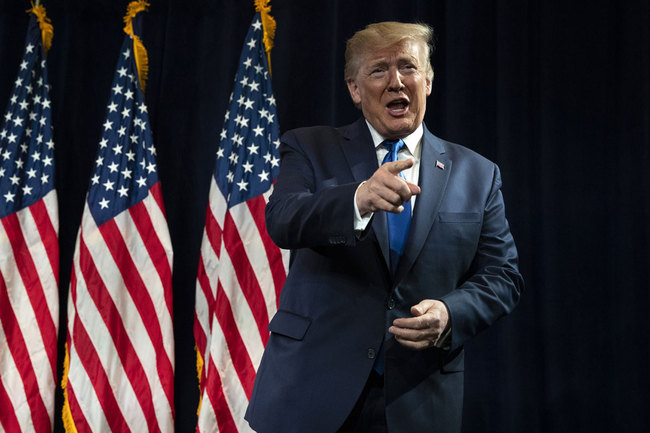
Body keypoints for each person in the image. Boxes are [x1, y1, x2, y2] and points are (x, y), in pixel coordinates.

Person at [245, 21, 523, 433]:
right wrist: (357, 199)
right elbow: (282, 219)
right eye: (378, 70)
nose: (396, 81)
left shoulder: (478, 175)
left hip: (419, 399)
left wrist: (450, 313)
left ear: (427, 82)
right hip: (312, 393)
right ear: (355, 89)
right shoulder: (309, 148)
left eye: (408, 67)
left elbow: (503, 276)